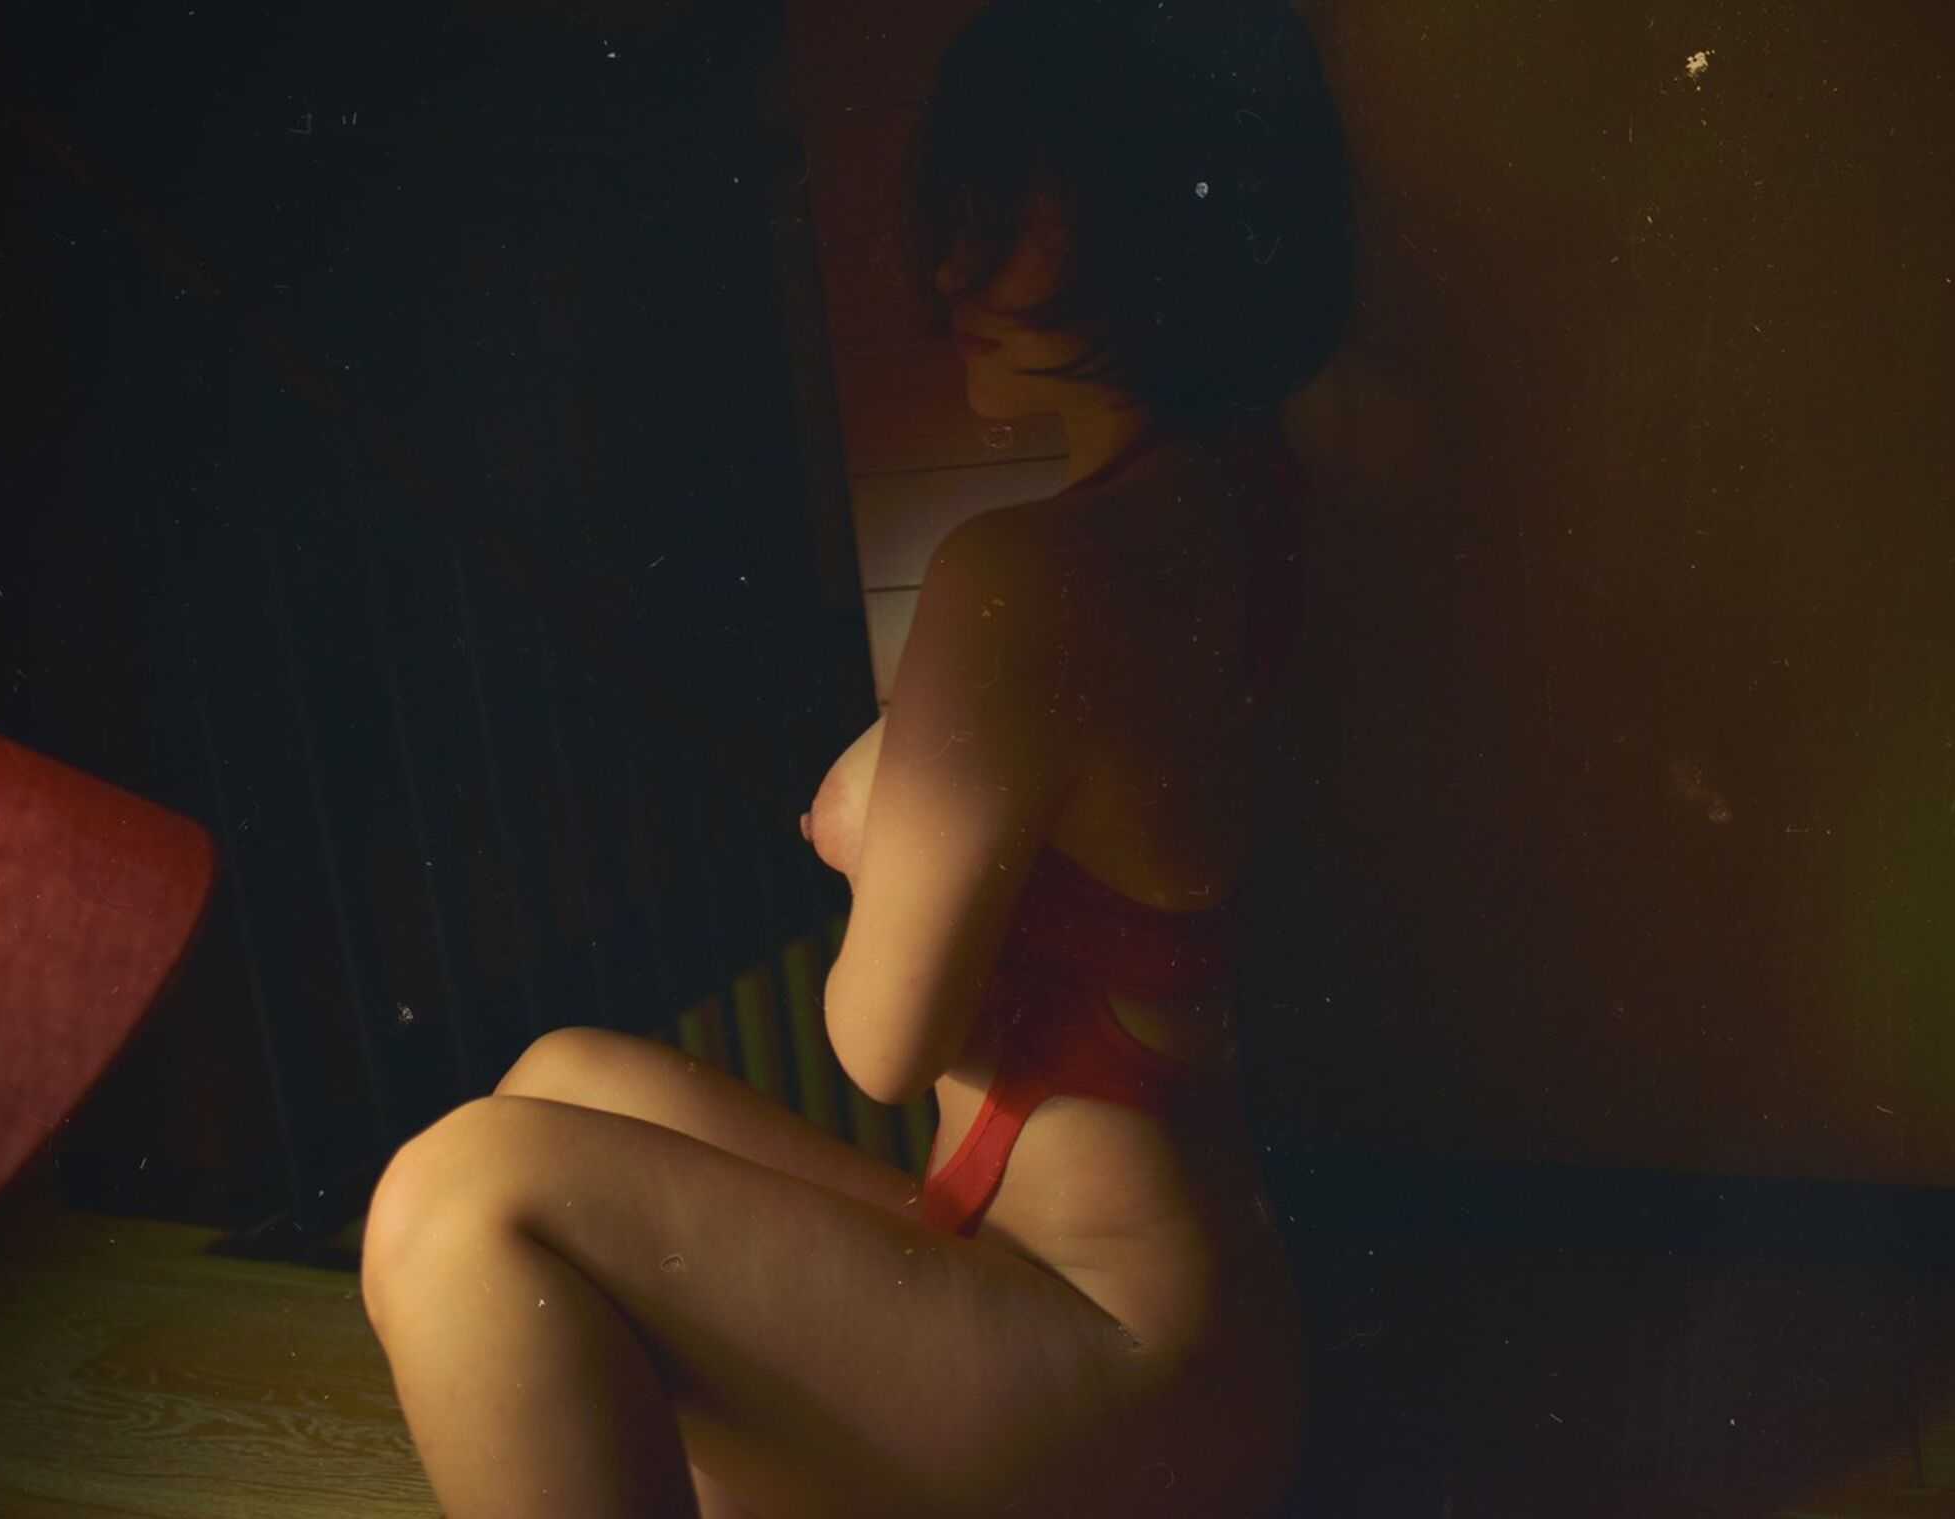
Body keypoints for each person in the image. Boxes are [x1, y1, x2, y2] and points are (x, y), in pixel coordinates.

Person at [358, 3, 1356, 1514]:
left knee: (458, 1196)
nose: (950, 273)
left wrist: (877, 821)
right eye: (956, 216)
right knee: (562, 1079)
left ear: (1171, 220)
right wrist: (906, 784)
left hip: (1109, 1376)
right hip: (1200, 1345)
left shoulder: (1022, 578)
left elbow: (880, 1045)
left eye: (1009, 220)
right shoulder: (1245, 497)